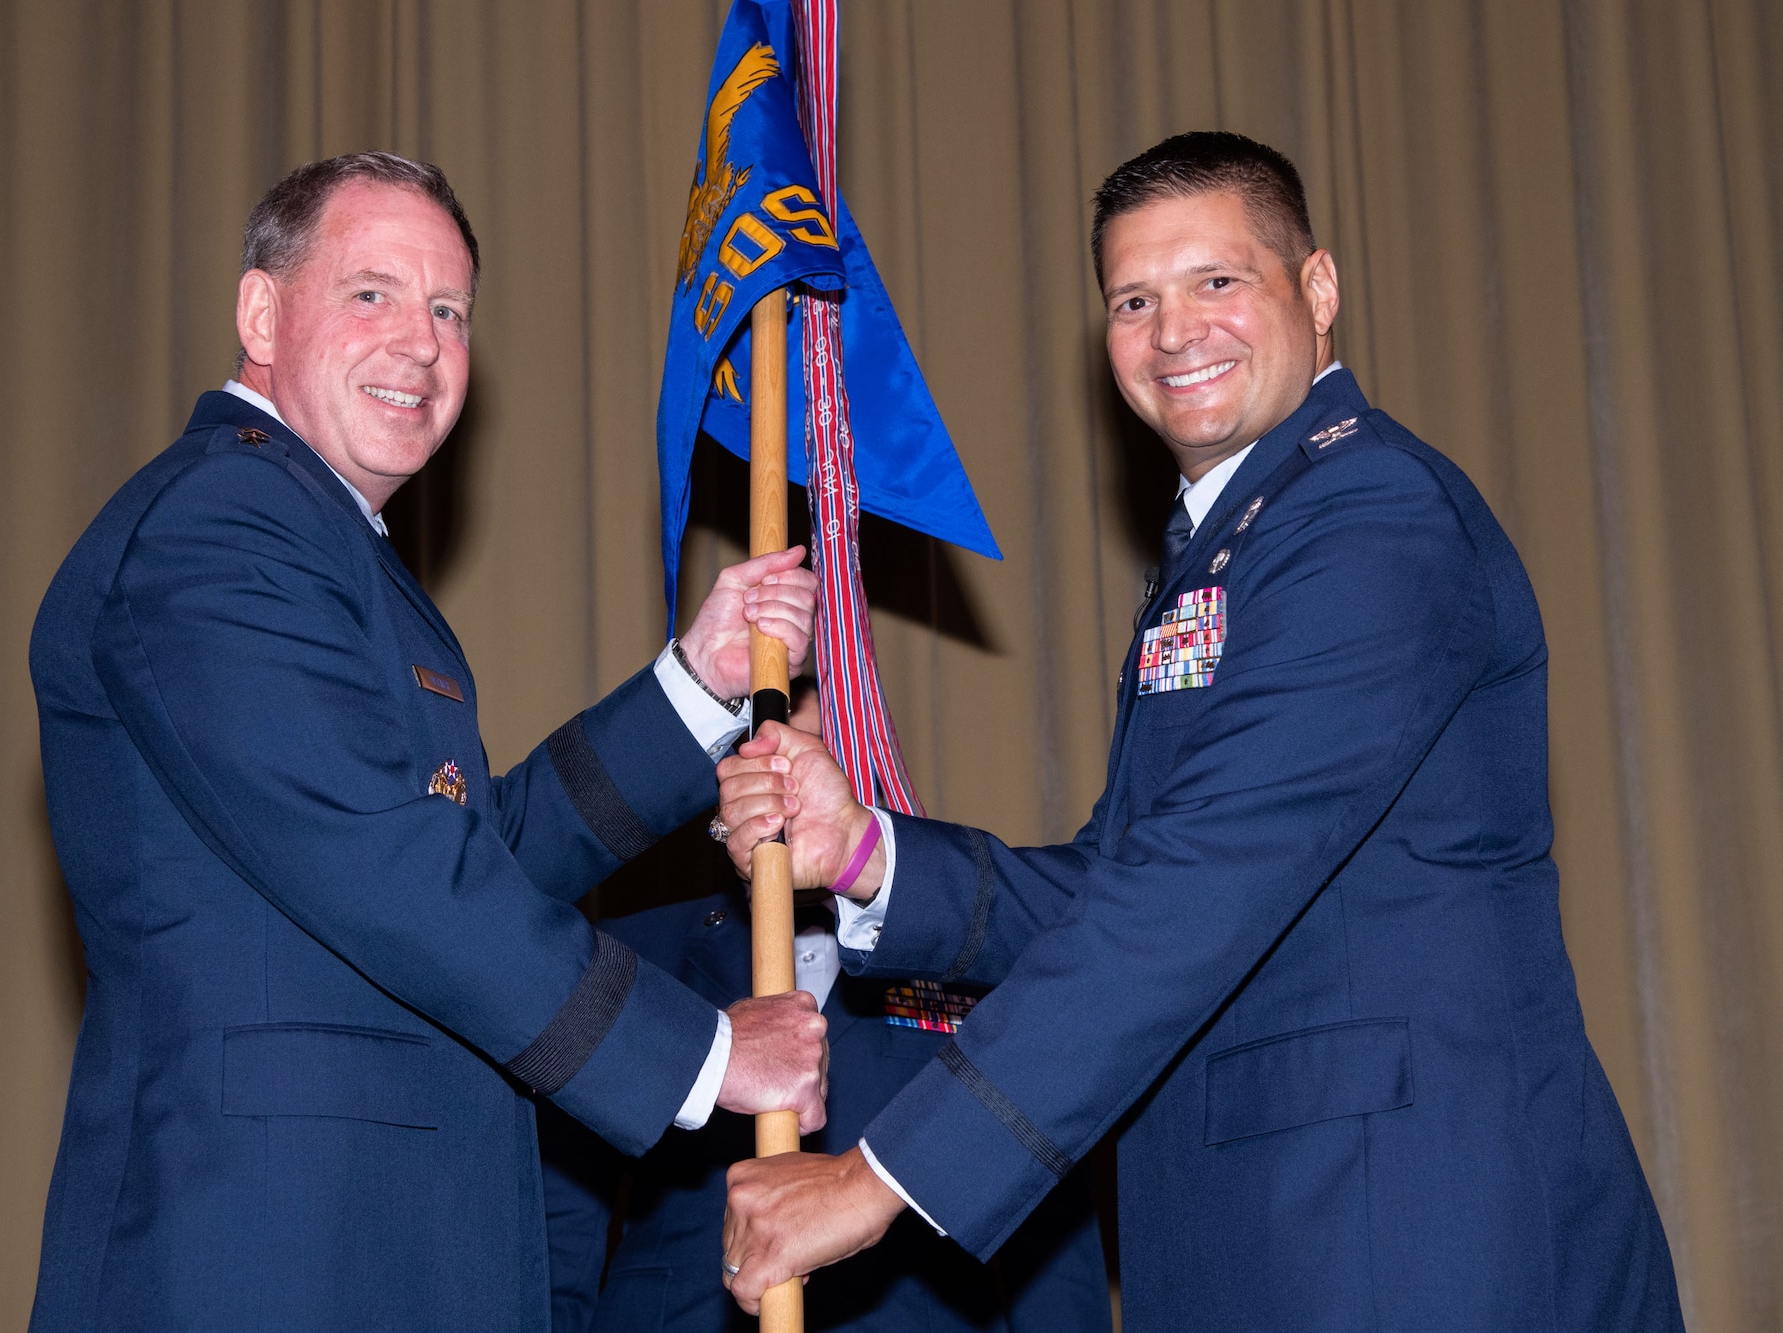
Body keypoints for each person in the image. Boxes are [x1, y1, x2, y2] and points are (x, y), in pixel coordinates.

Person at [712, 132, 1684, 1331]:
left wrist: (879, 1179)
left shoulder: (1369, 517)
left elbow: (1194, 887)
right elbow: (1129, 882)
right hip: (1267, 1233)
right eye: (1134, 298)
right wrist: (865, 854)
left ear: (1316, 291)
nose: (1174, 332)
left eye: (1217, 281)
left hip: (1401, 1235)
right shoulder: (1239, 538)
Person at [28, 152, 830, 1332]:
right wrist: (702, 1055)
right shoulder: (218, 522)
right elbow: (390, 868)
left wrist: (694, 688)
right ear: (261, 312)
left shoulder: (317, 540)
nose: (420, 341)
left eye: (448, 310)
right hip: (263, 1251)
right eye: (372, 293)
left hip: (369, 1241)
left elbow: (464, 853)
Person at [540, 693, 1111, 1333]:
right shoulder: (631, 954)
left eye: (826, 754)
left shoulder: (968, 950)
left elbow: (1045, 1219)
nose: (794, 787)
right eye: (771, 763)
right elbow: (560, 1232)